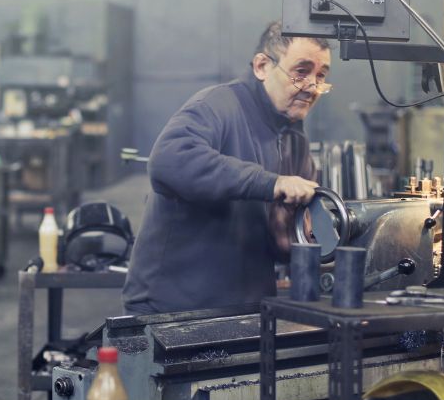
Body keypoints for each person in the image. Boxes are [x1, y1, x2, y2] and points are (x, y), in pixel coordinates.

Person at [122, 22, 331, 315]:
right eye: (301, 72)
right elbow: (170, 159)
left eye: (321, 76)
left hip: (245, 309)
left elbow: (285, 236)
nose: (312, 87)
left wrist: (289, 239)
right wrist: (270, 183)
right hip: (173, 308)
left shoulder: (294, 137)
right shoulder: (217, 105)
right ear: (262, 66)